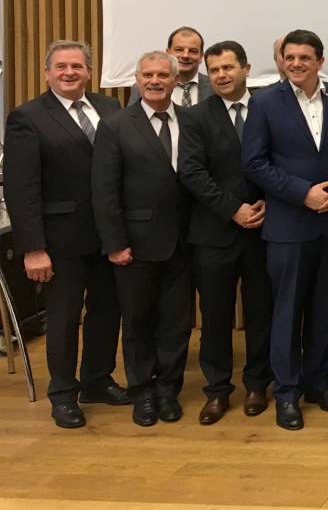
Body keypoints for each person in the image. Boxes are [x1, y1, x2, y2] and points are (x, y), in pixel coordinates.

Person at [242, 29, 328, 431]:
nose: (296, 64)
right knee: (287, 313)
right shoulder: (264, 102)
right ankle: (287, 393)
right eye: (289, 57)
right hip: (289, 225)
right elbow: (254, 163)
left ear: (320, 62)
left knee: (325, 311)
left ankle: (319, 384)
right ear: (282, 61)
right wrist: (301, 193)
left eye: (304, 58)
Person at [5, 41, 128, 428]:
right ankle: (62, 394)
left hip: (108, 236)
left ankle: (97, 380)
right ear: (47, 73)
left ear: (89, 71)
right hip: (59, 241)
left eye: (77, 66)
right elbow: (21, 188)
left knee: (107, 311)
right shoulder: (27, 117)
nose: (69, 72)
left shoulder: (110, 109)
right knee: (63, 317)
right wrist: (33, 248)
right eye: (60, 66)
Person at [92, 51, 193, 427]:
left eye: (162, 75)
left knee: (176, 323)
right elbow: (104, 191)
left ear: (175, 80)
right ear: (137, 80)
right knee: (137, 322)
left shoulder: (191, 121)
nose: (155, 81)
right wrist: (115, 243)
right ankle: (143, 392)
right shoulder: (116, 125)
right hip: (135, 244)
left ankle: (168, 390)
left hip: (184, 242)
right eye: (148, 75)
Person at [177, 40, 273, 425]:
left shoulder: (269, 109)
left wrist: (268, 202)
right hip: (214, 233)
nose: (221, 75)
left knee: (261, 313)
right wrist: (233, 209)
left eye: (228, 67)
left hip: (264, 231)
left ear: (246, 69)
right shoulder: (195, 116)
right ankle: (217, 390)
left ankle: (258, 384)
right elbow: (192, 172)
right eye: (214, 69)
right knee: (215, 318)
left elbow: (283, 160)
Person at [128, 26, 211, 107]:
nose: (185, 56)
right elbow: (132, 115)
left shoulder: (213, 87)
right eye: (179, 50)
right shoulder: (142, 87)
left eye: (193, 51)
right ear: (168, 53)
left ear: (201, 56)